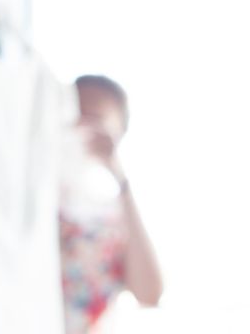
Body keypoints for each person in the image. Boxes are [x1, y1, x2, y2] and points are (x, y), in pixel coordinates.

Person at [59, 75, 163, 333]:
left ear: (120, 131)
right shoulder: (33, 191)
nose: (82, 125)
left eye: (96, 119)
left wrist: (119, 176)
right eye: (75, 114)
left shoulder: (117, 214)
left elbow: (150, 293)